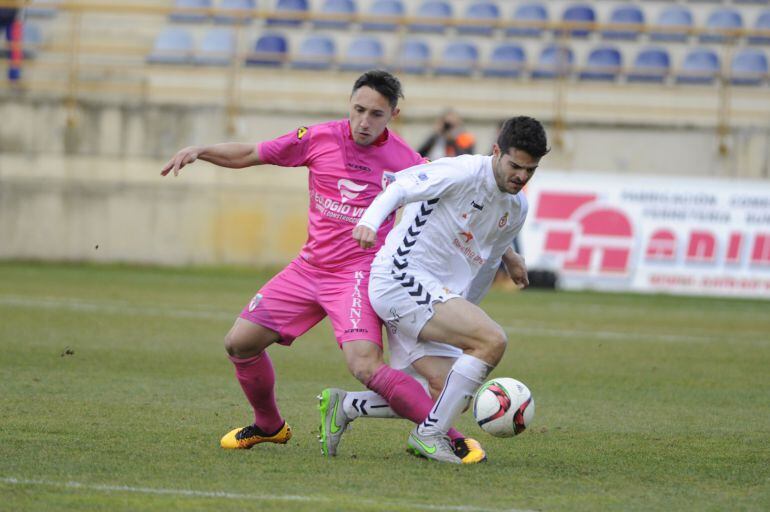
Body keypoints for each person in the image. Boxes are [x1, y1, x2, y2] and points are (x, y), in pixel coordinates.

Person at [160, 70, 483, 462]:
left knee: (364, 365)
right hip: (308, 268)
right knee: (239, 343)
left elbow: (452, 205)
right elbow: (251, 153)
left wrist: (505, 249)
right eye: (358, 110)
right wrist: (201, 150)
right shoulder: (318, 138)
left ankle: (447, 434)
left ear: (393, 114)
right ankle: (269, 427)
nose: (364, 122)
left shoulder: (407, 162)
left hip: (358, 274)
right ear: (350, 104)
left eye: (376, 114)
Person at [349, 116, 549, 464]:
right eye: (516, 165)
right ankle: (428, 436)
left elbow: (488, 259)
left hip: (435, 295)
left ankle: (345, 405)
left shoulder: (517, 207)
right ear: (497, 151)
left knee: (449, 391)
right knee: (492, 340)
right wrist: (368, 221)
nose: (521, 176)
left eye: (530, 170)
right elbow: (400, 187)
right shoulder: (463, 172)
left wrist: (508, 259)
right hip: (400, 277)